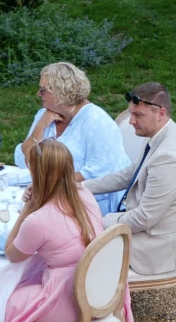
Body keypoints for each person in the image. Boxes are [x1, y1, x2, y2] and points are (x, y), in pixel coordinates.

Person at [0, 140, 142, 322]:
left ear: (36, 174)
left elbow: (11, 252)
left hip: (69, 299)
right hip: (102, 291)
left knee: (6, 306)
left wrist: (28, 208)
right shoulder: (84, 196)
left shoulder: (37, 220)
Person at [79, 82, 176, 277]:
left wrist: (101, 222)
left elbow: (144, 218)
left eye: (138, 115)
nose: (131, 121)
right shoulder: (164, 134)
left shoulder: (169, 158)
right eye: (131, 114)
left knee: (72, 246)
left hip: (154, 249)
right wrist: (81, 187)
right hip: (147, 230)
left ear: (160, 113)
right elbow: (130, 174)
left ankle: (97, 303)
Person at [13, 62, 131, 214]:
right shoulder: (45, 114)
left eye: (43, 90)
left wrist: (50, 186)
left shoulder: (97, 121)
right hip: (50, 197)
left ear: (62, 92)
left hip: (90, 203)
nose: (38, 94)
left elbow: (99, 172)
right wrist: (40, 126)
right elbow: (26, 156)